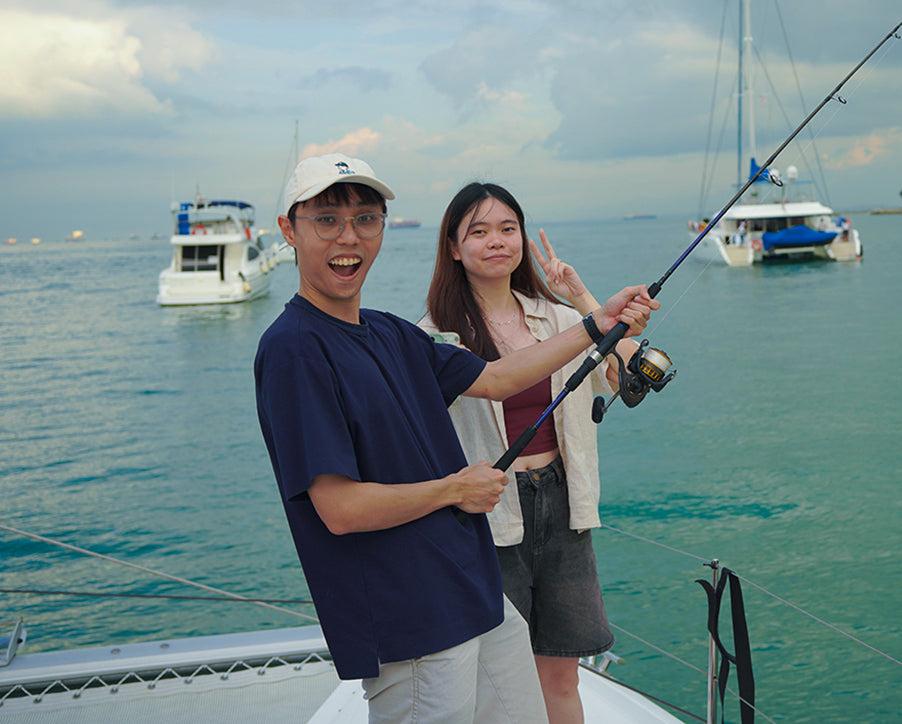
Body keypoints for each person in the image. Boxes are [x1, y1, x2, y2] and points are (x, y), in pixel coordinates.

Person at [254, 155, 658, 723]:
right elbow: (339, 508)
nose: (349, 237)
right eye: (327, 220)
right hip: (410, 616)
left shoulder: (388, 331)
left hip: (472, 593)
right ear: (288, 229)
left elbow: (497, 377)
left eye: (366, 219)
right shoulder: (294, 348)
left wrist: (595, 320)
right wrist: (452, 490)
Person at [419, 183, 638, 724]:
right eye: (479, 231)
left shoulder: (562, 319)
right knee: (497, 678)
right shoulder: (434, 337)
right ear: (453, 247)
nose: (497, 241)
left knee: (562, 673)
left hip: (564, 506)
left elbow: (633, 378)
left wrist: (583, 297)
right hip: (485, 514)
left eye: (507, 229)